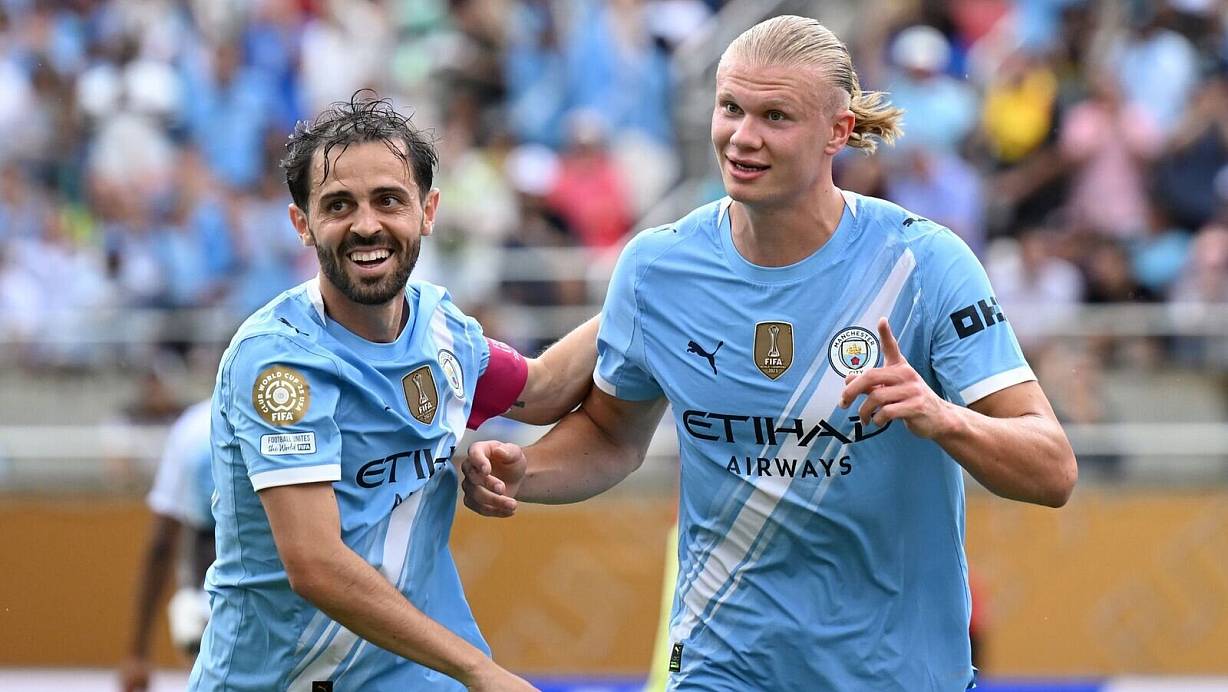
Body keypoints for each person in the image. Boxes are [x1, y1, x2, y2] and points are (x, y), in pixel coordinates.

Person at [463, 16, 1077, 691]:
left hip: (896, 674)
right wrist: (525, 469)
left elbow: (1052, 470)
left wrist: (941, 416)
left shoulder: (923, 263)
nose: (742, 137)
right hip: (719, 668)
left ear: (837, 132)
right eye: (731, 107)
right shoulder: (657, 266)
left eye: (776, 116)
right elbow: (611, 433)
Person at [189, 92, 598, 692]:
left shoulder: (441, 326)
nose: (366, 225)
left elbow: (542, 390)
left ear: (428, 211)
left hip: (413, 677)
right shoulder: (278, 362)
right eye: (338, 205)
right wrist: (478, 670)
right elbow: (316, 565)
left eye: (389, 200)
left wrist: (638, 287)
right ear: (302, 223)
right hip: (277, 680)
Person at [121, 399, 215, 692]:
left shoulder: (194, 426)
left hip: (209, 590)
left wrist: (137, 652)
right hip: (281, 591)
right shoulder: (301, 412)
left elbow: (162, 543)